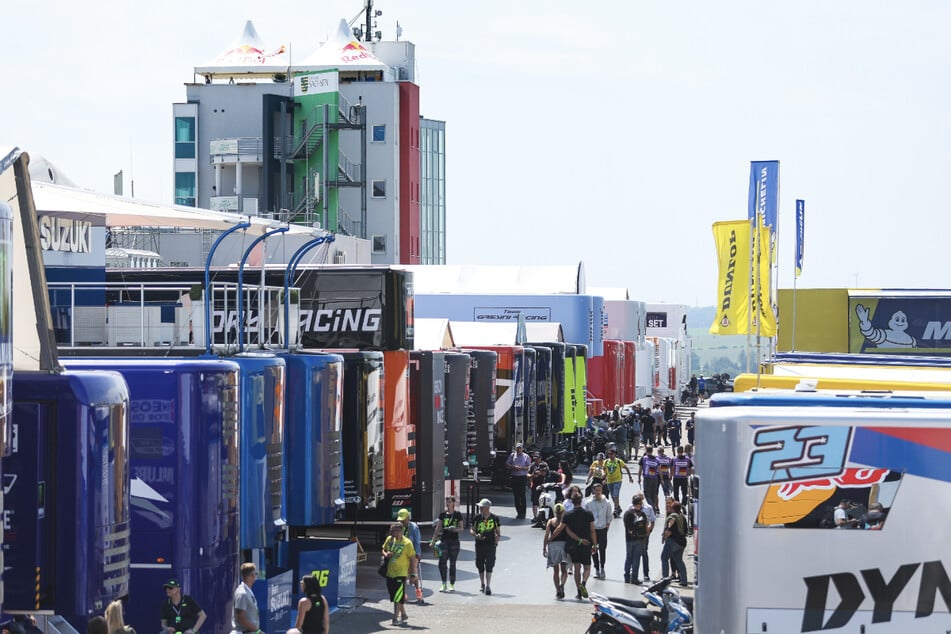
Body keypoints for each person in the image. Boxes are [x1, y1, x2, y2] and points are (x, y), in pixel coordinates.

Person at [560, 488, 596, 600]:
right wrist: (595, 544)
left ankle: (579, 591)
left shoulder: (567, 515)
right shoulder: (588, 514)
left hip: (573, 544)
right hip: (586, 543)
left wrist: (550, 538)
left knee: (577, 568)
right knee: (587, 567)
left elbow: (565, 529)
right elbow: (592, 530)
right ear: (581, 501)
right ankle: (583, 583)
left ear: (572, 501)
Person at [382, 522, 418, 625]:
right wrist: (386, 554)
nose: (397, 533)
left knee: (398, 596)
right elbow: (383, 549)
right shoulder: (389, 539)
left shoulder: (407, 543)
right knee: (394, 596)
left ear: (402, 531)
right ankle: (404, 614)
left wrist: (413, 574)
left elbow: (413, 559)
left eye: (399, 531)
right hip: (390, 573)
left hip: (401, 573)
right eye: (394, 531)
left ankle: (395, 618)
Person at [582, 482, 614, 580]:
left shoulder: (607, 502)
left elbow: (609, 516)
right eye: (596, 490)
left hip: (602, 529)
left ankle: (602, 567)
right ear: (593, 491)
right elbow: (585, 517)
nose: (598, 492)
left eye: (600, 490)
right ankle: (596, 568)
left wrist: (607, 527)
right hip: (592, 530)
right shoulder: (588, 503)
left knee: (603, 549)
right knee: (593, 549)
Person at [432, 495, 464, 592]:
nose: (448, 503)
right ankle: (443, 583)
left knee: (452, 563)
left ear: (453, 503)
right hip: (444, 540)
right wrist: (433, 540)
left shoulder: (457, 514)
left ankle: (452, 584)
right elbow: (438, 527)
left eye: (449, 501)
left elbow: (461, 528)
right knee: (442, 562)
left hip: (454, 541)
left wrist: (455, 529)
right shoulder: (443, 514)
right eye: (447, 501)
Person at [471, 498, 501, 595]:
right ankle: (482, 583)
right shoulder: (477, 518)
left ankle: (488, 585)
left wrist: (496, 543)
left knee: (489, 565)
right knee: (479, 564)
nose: (480, 508)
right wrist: (476, 535)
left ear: (487, 508)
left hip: (490, 544)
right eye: (480, 507)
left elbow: (498, 532)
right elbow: (472, 529)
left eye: (482, 507)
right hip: (479, 545)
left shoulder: (494, 518)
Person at [542, 502, 571, 599]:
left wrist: (544, 548)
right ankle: (562, 584)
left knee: (555, 571)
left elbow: (546, 535)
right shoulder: (565, 522)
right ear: (563, 512)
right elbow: (569, 534)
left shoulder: (550, 521)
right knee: (564, 570)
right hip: (564, 546)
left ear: (555, 512)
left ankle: (558, 591)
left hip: (553, 547)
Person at [396, 508, 423, 603]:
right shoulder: (399, 527)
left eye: (403, 520)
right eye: (400, 520)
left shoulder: (414, 527)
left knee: (413, 575)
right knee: (402, 575)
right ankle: (403, 594)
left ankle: (418, 593)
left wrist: (418, 554)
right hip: (402, 555)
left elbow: (417, 541)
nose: (401, 522)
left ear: (408, 518)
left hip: (412, 554)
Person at [622, 495, 650, 584]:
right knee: (636, 559)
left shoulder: (627, 514)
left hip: (629, 539)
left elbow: (626, 526)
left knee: (628, 558)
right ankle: (634, 578)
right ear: (640, 504)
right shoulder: (642, 514)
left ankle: (627, 577)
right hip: (640, 539)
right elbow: (646, 527)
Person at [660, 501, 689, 587]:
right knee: (679, 561)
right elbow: (686, 530)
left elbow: (669, 529)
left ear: (673, 509)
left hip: (673, 542)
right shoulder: (682, 517)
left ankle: (665, 580)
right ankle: (684, 581)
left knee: (664, 558)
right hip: (682, 542)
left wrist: (664, 537)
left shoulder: (672, 517)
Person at [602, 447, 633, 518]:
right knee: (612, 495)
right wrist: (604, 478)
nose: (610, 455)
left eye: (612, 454)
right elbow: (604, 470)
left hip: (617, 480)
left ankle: (616, 509)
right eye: (609, 454)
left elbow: (626, 468)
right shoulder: (606, 462)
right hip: (609, 481)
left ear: (615, 454)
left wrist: (630, 477)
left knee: (616, 494)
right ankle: (618, 507)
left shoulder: (619, 461)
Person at [231, 563, 262, 634]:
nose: (255, 576)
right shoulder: (243, 593)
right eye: (255, 574)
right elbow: (241, 618)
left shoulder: (246, 591)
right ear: (252, 575)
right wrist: (258, 631)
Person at [506, 442, 532, 519]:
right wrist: (513, 467)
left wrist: (522, 468)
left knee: (522, 495)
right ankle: (519, 512)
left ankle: (523, 513)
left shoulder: (526, 456)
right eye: (517, 448)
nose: (518, 449)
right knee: (516, 496)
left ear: (522, 449)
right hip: (514, 477)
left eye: (520, 448)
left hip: (522, 477)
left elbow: (529, 467)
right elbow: (507, 464)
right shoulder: (512, 455)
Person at [638, 446, 661, 512]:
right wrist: (661, 479)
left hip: (647, 478)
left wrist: (639, 478)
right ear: (652, 451)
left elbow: (640, 469)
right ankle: (653, 508)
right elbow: (659, 470)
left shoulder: (644, 458)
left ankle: (652, 507)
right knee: (653, 494)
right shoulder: (656, 459)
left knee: (647, 494)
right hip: (655, 478)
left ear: (646, 450)